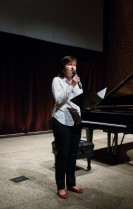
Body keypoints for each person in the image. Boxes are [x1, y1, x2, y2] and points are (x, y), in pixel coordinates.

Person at [51, 55, 84, 199]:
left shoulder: (78, 83)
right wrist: (71, 85)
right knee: (62, 155)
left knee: (72, 155)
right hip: (61, 120)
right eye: (70, 64)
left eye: (75, 65)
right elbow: (59, 100)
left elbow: (79, 101)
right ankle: (60, 186)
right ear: (63, 66)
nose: (73, 67)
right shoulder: (57, 81)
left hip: (75, 120)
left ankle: (71, 183)